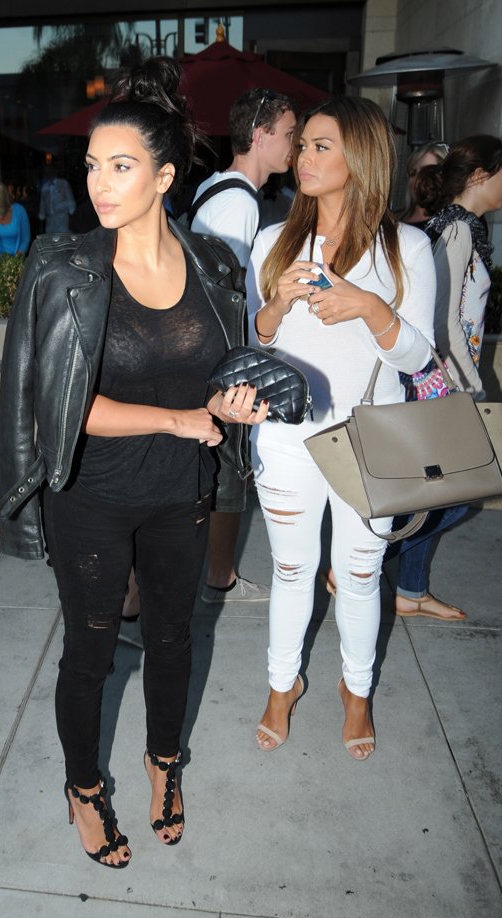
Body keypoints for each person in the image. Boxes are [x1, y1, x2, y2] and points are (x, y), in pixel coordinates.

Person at [0, 58, 267, 868]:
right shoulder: (63, 267)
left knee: (175, 639)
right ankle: (84, 787)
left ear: (165, 177)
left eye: (120, 166)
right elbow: (58, 406)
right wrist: (181, 419)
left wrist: (230, 405)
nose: (99, 184)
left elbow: (216, 380)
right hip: (92, 496)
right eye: (92, 166)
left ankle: (163, 762)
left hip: (181, 492)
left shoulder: (214, 265)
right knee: (89, 653)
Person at [247, 97, 435, 761]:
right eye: (303, 145)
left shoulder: (406, 247)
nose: (304, 156)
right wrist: (276, 305)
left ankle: (356, 690)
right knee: (291, 569)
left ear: (361, 157)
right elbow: (256, 343)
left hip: (370, 440)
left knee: (359, 574)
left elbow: (418, 357)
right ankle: (282, 685)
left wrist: (371, 308)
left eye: (321, 146)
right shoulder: (273, 241)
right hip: (286, 436)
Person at [387, 134, 502, 621]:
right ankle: (365, 560)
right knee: (456, 497)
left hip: (443, 382)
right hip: (443, 386)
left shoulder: (463, 227)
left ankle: (411, 591)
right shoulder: (456, 231)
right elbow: (441, 320)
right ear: (479, 176)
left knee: (433, 493)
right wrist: (467, 387)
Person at [191, 87, 296, 605]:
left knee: (223, 468)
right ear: (260, 135)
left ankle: (218, 575)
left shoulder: (216, 187)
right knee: (230, 469)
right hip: (223, 356)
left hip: (213, 351)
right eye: (289, 134)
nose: (295, 146)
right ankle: (220, 579)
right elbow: (223, 295)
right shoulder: (238, 203)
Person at [398, 141, 449, 228]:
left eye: (426, 171)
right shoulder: (395, 221)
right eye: (412, 173)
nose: (417, 179)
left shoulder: (452, 224)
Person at [38, 165, 76, 232]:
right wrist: (42, 214)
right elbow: (42, 203)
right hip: (50, 220)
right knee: (50, 235)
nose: (48, 173)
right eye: (46, 171)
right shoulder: (45, 187)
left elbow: (70, 199)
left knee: (63, 235)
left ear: (54, 171)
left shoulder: (63, 183)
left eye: (50, 171)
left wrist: (71, 210)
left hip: (62, 218)